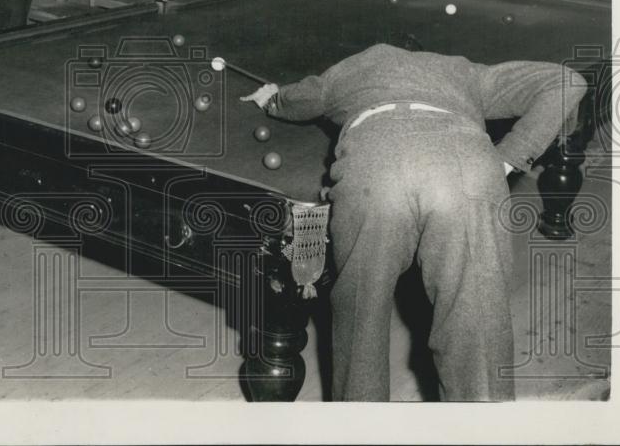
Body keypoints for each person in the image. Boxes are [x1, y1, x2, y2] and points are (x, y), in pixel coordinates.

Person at [241, 42, 587, 401]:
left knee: (361, 316)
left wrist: (272, 97)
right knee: (477, 325)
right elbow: (568, 81)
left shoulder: (356, 65)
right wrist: (508, 159)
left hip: (376, 171)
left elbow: (297, 101)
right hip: (466, 167)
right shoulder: (464, 67)